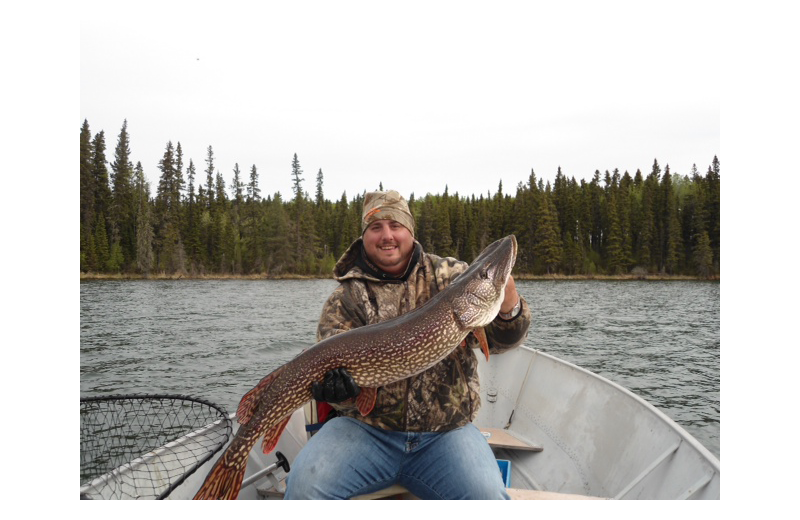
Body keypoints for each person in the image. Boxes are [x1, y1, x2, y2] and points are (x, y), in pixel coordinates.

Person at [284, 190, 531, 500]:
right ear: (365, 237)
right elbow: (340, 390)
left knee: (488, 496)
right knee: (305, 489)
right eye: (376, 228)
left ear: (410, 232)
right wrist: (340, 393)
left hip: (446, 433)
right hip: (364, 431)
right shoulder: (345, 299)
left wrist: (509, 306)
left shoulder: (450, 276)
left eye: (396, 225)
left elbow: (502, 341)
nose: (387, 235)